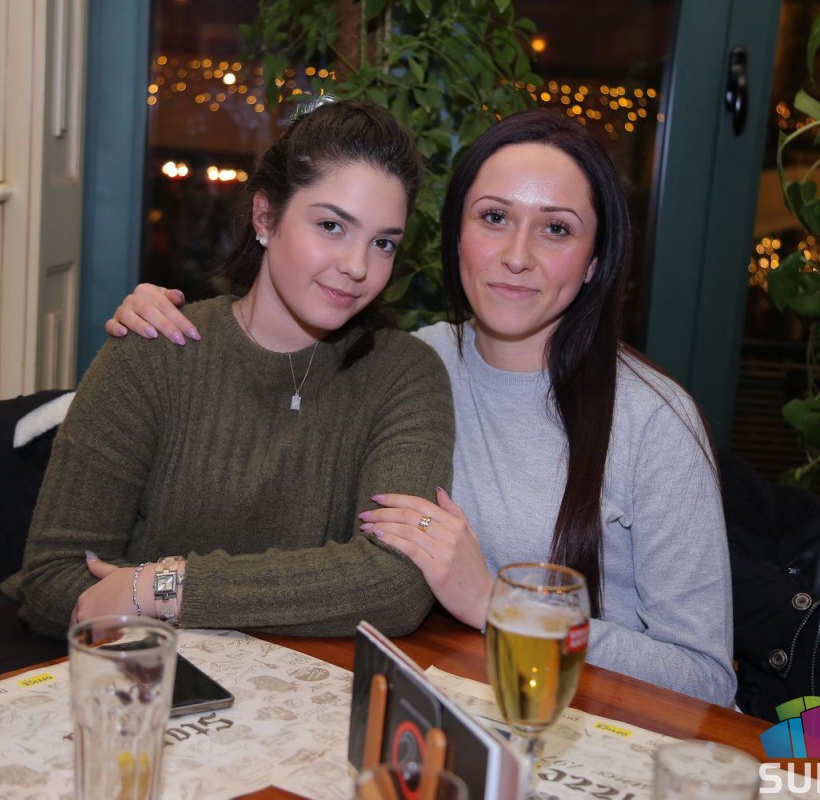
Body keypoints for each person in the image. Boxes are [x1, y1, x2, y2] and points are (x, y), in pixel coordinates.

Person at [107, 109, 737, 706]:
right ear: (456, 233)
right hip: (429, 700)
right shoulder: (407, 364)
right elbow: (260, 398)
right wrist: (171, 328)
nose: (517, 256)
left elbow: (708, 680)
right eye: (494, 217)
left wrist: (500, 605)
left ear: (595, 260)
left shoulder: (652, 422)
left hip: (585, 724)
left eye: (556, 229)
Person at [0, 99, 454, 684]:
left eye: (383, 242)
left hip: (288, 693)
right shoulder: (154, 349)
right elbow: (55, 578)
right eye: (331, 226)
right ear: (265, 217)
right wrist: (295, 592)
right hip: (123, 677)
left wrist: (160, 587)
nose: (358, 266)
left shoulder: (405, 374)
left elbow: (398, 585)